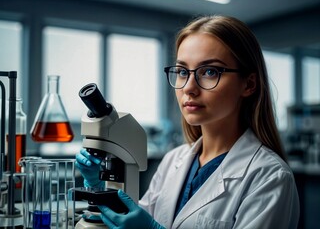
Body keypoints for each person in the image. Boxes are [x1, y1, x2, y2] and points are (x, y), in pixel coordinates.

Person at [76, 15, 300, 229]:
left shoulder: (270, 177)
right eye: (183, 71)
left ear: (249, 84)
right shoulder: (173, 160)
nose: (189, 88)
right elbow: (127, 220)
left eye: (210, 71)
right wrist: (97, 187)